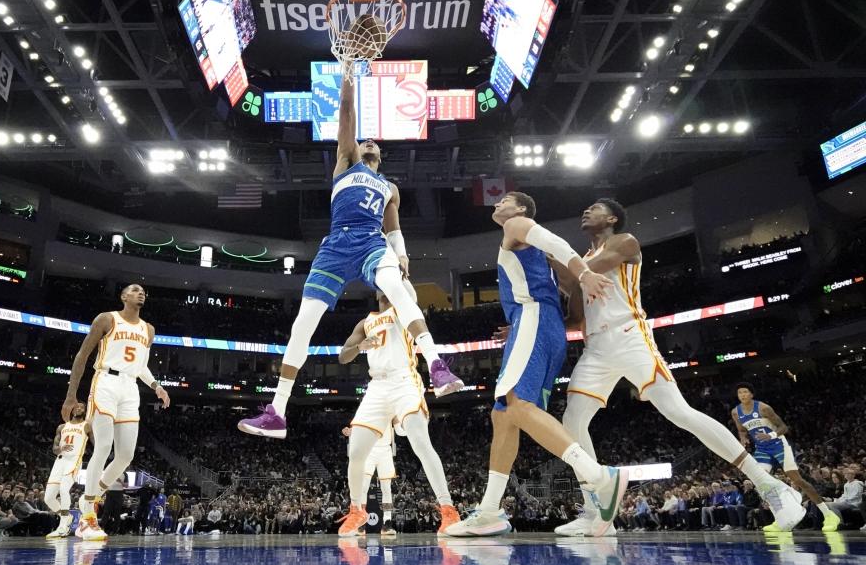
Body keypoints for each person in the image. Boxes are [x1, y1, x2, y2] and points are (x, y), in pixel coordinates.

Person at [553, 198, 807, 536]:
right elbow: (574, 313)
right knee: (572, 420)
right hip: (596, 347)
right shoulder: (581, 261)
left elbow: (588, 272)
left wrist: (548, 250)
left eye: (595, 208)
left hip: (630, 335)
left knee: (678, 412)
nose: (586, 211)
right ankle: (596, 510)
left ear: (612, 218)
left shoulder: (624, 243)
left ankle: (770, 485)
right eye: (585, 208)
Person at [238, 73, 462, 439]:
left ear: (381, 155)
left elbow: (393, 228)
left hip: (372, 242)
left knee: (399, 290)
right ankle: (277, 410)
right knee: (302, 324)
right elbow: (345, 112)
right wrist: (347, 77)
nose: (369, 141)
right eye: (365, 139)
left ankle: (436, 365)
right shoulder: (346, 162)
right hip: (337, 245)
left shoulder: (389, 187)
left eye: (374, 142)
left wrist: (402, 256)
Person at [444, 192, 628, 538]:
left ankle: (599, 476)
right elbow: (551, 282)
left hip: (535, 318)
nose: (497, 206)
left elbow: (555, 242)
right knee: (503, 415)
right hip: (539, 322)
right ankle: (489, 512)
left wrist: (585, 273)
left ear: (522, 209)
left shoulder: (517, 225)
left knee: (517, 404)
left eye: (504, 201)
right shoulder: (525, 245)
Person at [336, 291, 461, 537]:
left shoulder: (404, 307)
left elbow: (421, 327)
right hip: (377, 386)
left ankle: (448, 509)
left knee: (421, 444)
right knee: (357, 451)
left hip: (404, 380)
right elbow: (343, 356)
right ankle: (356, 510)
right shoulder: (365, 322)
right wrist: (360, 346)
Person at [59, 284, 171, 540]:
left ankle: (92, 497)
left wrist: (156, 386)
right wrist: (70, 395)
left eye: (143, 291)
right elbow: (82, 356)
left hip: (130, 387)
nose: (140, 293)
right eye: (134, 290)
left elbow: (142, 366)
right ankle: (88, 516)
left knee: (124, 456)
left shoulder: (148, 330)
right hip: (105, 382)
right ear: (123, 296)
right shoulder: (107, 319)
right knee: (103, 446)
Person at [732, 382, 841, 531]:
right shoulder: (736, 412)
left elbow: (784, 427)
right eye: (740, 393)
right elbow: (742, 430)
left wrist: (770, 435)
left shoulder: (763, 408)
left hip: (779, 445)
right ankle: (780, 518)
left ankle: (829, 515)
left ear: (751, 394)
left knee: (797, 479)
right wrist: (743, 439)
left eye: (745, 392)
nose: (742, 395)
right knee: (762, 484)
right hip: (762, 449)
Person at [44, 402, 91, 538]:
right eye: (76, 406)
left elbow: (96, 442)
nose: (78, 408)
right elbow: (54, 448)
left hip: (74, 460)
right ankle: (67, 516)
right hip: (60, 460)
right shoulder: (62, 427)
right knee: (48, 498)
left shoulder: (86, 425)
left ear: (84, 411)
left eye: (82, 407)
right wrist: (60, 449)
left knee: (64, 489)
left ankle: (63, 526)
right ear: (72, 410)